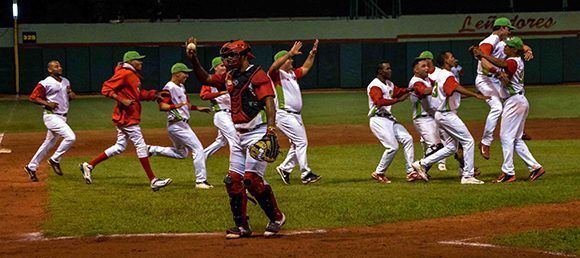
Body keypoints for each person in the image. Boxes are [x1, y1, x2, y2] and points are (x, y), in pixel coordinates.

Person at [186, 38, 285, 238]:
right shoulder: (230, 75)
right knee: (233, 181)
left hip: (257, 132)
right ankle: (242, 227)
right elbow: (206, 79)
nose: (228, 59)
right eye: (226, 56)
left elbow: (269, 102)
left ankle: (276, 218)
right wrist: (194, 59)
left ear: (245, 55)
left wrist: (271, 130)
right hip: (238, 134)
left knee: (252, 180)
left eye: (232, 55)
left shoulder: (257, 75)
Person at [79, 51, 173, 191]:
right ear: (131, 62)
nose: (141, 62)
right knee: (141, 146)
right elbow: (106, 88)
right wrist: (121, 99)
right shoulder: (125, 73)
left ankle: (89, 165)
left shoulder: (132, 75)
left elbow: (137, 95)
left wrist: (154, 95)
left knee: (120, 147)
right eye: (138, 60)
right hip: (127, 118)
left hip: (126, 117)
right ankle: (153, 180)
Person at [473, 37, 545, 182]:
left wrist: (483, 55)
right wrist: (480, 56)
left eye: (508, 47)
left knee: (506, 137)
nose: (505, 48)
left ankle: (508, 173)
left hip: (514, 102)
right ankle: (535, 167)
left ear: (514, 50)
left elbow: (500, 63)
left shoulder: (513, 61)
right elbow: (497, 69)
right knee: (516, 139)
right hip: (518, 101)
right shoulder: (514, 61)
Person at [411, 52, 490, 185]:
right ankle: (468, 176)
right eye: (451, 57)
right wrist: (475, 95)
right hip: (446, 114)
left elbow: (452, 92)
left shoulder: (441, 75)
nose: (454, 59)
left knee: (452, 147)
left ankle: (421, 163)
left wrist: (472, 94)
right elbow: (453, 88)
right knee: (468, 141)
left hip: (440, 114)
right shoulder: (447, 75)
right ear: (446, 61)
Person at [474, 17, 534, 160]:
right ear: (502, 28)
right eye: (508, 29)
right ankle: (485, 142)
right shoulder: (489, 42)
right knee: (497, 108)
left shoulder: (502, 42)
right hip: (486, 79)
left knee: (513, 100)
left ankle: (519, 128)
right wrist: (498, 72)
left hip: (497, 80)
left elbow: (519, 44)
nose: (509, 32)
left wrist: (528, 49)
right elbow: (483, 61)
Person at [147, 63, 213, 189]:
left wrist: (197, 108)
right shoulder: (168, 88)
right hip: (177, 126)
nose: (187, 75)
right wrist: (174, 106)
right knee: (198, 149)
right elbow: (162, 106)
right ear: (177, 74)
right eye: (184, 73)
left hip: (180, 125)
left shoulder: (181, 86)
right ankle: (201, 181)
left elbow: (186, 104)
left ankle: (151, 150)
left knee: (181, 153)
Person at [269, 40, 321, 185]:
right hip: (284, 114)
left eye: (291, 58)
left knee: (296, 144)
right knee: (301, 142)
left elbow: (305, 68)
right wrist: (289, 53)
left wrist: (312, 55)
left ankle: (285, 169)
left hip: (296, 115)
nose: (291, 60)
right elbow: (273, 66)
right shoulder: (276, 74)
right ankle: (306, 173)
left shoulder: (291, 74)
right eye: (289, 58)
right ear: (283, 61)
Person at [24, 60, 76, 181]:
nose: (60, 68)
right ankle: (55, 160)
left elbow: (67, 97)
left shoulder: (65, 81)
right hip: (51, 116)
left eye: (60, 66)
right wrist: (47, 103)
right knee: (70, 137)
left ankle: (31, 167)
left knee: (48, 144)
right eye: (56, 66)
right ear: (50, 70)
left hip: (63, 116)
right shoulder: (45, 83)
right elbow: (33, 97)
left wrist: (71, 95)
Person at [367, 61, 417, 183]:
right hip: (378, 120)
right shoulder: (375, 85)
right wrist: (397, 100)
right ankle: (379, 173)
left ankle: (411, 171)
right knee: (392, 147)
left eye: (390, 68)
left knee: (407, 139)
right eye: (387, 69)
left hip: (388, 118)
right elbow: (379, 102)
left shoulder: (388, 83)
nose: (390, 71)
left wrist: (409, 89)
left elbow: (398, 91)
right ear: (380, 71)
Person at [410, 51, 447, 174]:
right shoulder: (416, 81)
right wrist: (441, 87)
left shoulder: (427, 79)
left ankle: (466, 169)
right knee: (436, 147)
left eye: (427, 65)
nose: (427, 68)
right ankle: (416, 171)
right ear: (416, 70)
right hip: (423, 119)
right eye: (423, 66)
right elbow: (424, 91)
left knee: (452, 143)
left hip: (433, 117)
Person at [201, 57, 238, 159]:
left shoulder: (230, 79)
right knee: (235, 139)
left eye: (225, 65)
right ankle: (235, 170)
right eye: (222, 65)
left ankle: (201, 156)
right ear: (215, 68)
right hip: (222, 114)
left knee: (221, 141)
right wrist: (220, 93)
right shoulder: (211, 80)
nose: (224, 67)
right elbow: (203, 95)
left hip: (232, 114)